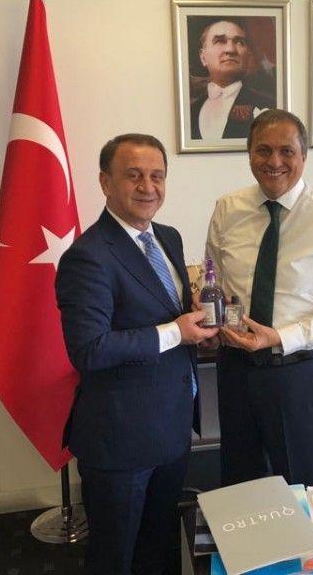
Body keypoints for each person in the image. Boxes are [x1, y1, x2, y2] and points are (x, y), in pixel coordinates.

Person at [56, 134, 218, 575]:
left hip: (171, 427)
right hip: (120, 440)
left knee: (159, 547)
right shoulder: (88, 257)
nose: (148, 187)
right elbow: (89, 349)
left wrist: (198, 326)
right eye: (134, 175)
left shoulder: (168, 237)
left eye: (157, 176)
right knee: (114, 557)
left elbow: (166, 311)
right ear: (105, 182)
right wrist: (176, 331)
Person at [206, 109, 313, 486]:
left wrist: (279, 337)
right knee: (242, 489)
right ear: (249, 154)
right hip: (237, 373)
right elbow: (218, 284)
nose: (274, 162)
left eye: (286, 151)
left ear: (303, 156)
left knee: (304, 488)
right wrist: (216, 322)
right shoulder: (227, 209)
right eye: (263, 150)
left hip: (299, 376)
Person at [190, 19, 275, 142]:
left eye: (239, 42)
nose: (230, 49)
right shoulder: (191, 111)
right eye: (220, 41)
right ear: (203, 57)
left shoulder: (269, 105)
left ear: (248, 56)